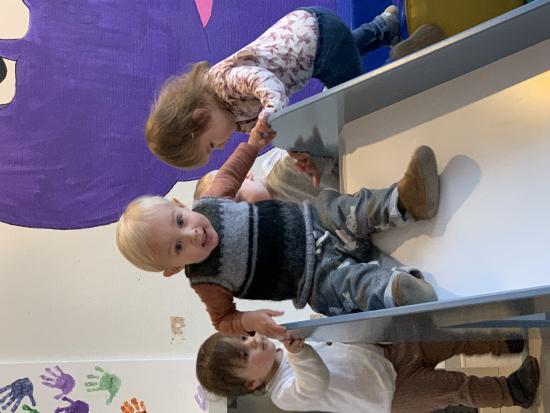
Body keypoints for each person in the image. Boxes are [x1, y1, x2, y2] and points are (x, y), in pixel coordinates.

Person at [116, 128, 440, 339]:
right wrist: (250, 321)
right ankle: (398, 291)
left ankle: (405, 201)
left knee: (346, 208)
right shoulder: (206, 281)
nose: (191, 234)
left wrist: (253, 144)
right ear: (174, 269)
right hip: (314, 279)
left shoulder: (211, 204)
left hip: (318, 222)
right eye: (177, 248)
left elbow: (231, 172)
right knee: (351, 286)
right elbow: (223, 321)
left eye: (179, 221)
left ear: (179, 205)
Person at [146, 5, 403, 169]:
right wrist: (296, 151)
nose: (221, 147)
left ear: (201, 117)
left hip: (316, 33)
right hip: (315, 56)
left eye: (211, 145)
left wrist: (270, 112)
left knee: (351, 96)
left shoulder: (223, 83)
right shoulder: (236, 120)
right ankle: (384, 26)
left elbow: (265, 82)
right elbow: (278, 131)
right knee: (345, 54)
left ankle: (402, 71)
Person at [196, 332, 540, 412]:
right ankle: (512, 391)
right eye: (245, 353)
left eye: (245, 338)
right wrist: (299, 352)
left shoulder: (289, 341)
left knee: (445, 340)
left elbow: (339, 341)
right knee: (455, 387)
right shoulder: (284, 393)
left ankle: (502, 341)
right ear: (252, 383)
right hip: (391, 395)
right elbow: (316, 382)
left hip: (389, 355)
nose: (254, 341)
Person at [193, 148, 339, 203]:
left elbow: (330, 149)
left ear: (246, 175)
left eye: (240, 200)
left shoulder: (282, 170)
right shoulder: (280, 216)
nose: (246, 211)